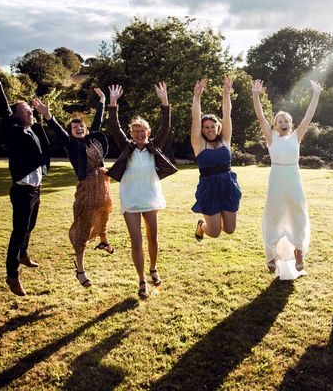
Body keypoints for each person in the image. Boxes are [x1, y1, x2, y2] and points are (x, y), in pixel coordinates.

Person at [0, 56, 50, 297]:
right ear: (17, 115)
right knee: (18, 231)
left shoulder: (31, 128)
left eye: (31, 110)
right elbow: (2, 106)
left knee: (30, 226)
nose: (31, 112)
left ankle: (23, 254)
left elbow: (43, 151)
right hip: (22, 190)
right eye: (27, 110)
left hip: (36, 188)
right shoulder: (14, 128)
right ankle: (12, 274)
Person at [35, 88, 114, 288]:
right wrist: (48, 115)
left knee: (104, 214)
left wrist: (103, 101)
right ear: (71, 132)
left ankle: (103, 241)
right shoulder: (71, 145)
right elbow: (60, 133)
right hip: (87, 189)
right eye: (74, 127)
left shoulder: (93, 140)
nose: (79, 128)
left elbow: (97, 122)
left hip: (103, 187)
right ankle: (80, 270)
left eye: (81, 126)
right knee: (83, 230)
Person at [106, 83, 177, 298]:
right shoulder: (126, 147)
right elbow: (114, 127)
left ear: (148, 132)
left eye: (142, 131)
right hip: (130, 197)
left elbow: (165, 126)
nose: (138, 134)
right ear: (131, 133)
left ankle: (153, 268)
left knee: (152, 237)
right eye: (135, 131)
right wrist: (113, 104)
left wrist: (164, 102)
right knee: (136, 240)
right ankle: (142, 280)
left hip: (150, 196)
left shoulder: (154, 147)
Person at [252, 79, 322, 278]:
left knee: (298, 214)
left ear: (291, 125)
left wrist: (316, 95)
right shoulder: (271, 138)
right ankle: (271, 255)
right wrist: (256, 95)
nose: (283, 123)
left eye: (286, 121)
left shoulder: (296, 137)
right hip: (276, 180)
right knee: (274, 216)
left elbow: (309, 116)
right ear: (275, 126)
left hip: (293, 179)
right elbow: (260, 117)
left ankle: (299, 251)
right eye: (280, 121)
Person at [191, 76, 242, 240]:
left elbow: (227, 114)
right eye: (206, 127)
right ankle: (202, 226)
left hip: (227, 185)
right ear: (202, 129)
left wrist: (226, 93)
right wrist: (197, 96)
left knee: (230, 229)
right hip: (209, 188)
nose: (209, 129)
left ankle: (216, 219)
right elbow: (195, 117)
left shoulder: (225, 139)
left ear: (217, 127)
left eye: (212, 126)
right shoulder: (198, 143)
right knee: (214, 233)